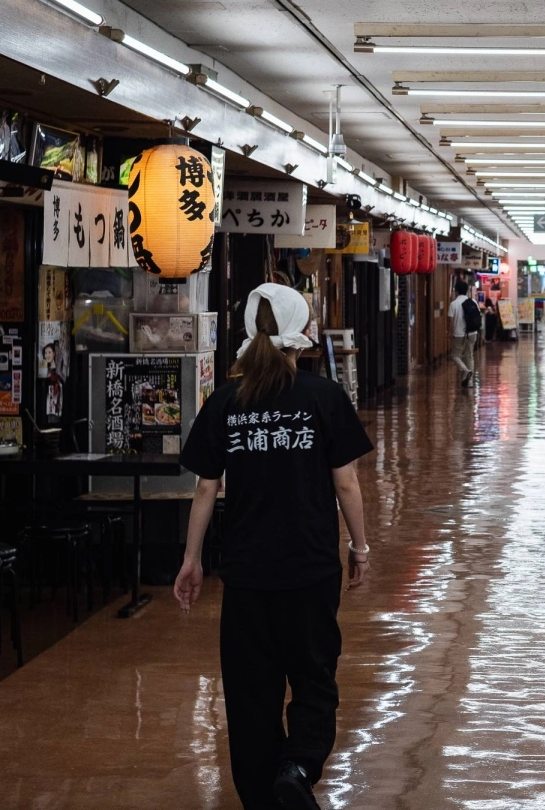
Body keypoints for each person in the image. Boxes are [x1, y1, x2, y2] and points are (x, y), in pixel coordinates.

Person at [173, 283, 375, 810]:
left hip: (246, 575)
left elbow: (206, 488)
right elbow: (346, 483)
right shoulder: (323, 397)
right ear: (300, 330)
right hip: (310, 569)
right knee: (313, 678)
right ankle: (298, 767)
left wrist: (191, 560)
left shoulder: (226, 401)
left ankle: (263, 797)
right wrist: (359, 547)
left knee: (250, 693)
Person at [449, 279, 479, 388]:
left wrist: (450, 333)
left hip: (459, 334)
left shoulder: (454, 304)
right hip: (472, 333)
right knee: (469, 356)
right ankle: (469, 382)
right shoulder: (473, 302)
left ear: (456, 291)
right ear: (466, 290)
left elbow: (451, 321)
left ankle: (466, 371)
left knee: (455, 356)